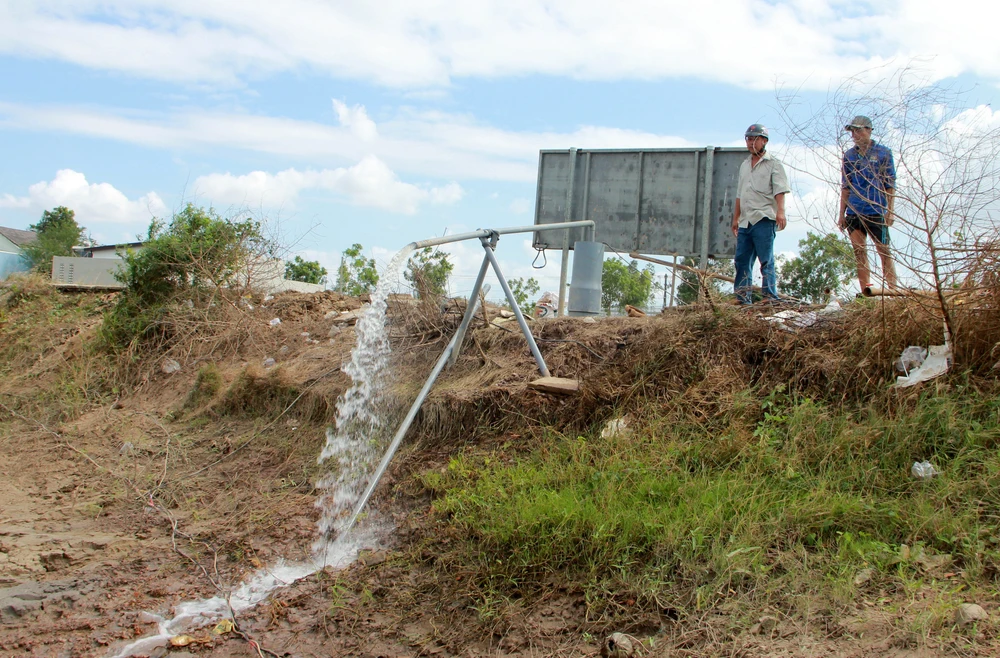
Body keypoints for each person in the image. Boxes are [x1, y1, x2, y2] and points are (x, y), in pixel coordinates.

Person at [731, 123, 790, 305]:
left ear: (764, 141)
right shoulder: (744, 165)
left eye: (755, 139)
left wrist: (781, 212)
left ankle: (769, 297)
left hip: (764, 217)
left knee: (766, 260)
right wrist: (736, 218)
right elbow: (740, 194)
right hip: (746, 220)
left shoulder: (773, 164)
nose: (751, 143)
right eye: (749, 139)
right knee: (741, 260)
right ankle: (742, 298)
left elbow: (780, 190)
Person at [838, 115, 898, 291]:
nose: (855, 135)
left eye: (858, 130)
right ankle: (867, 290)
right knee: (859, 251)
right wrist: (841, 214)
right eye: (853, 131)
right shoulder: (849, 156)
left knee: (884, 250)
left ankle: (892, 290)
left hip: (876, 208)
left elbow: (890, 184)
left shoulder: (883, 153)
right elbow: (845, 186)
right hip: (855, 209)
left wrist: (890, 211)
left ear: (869, 130)